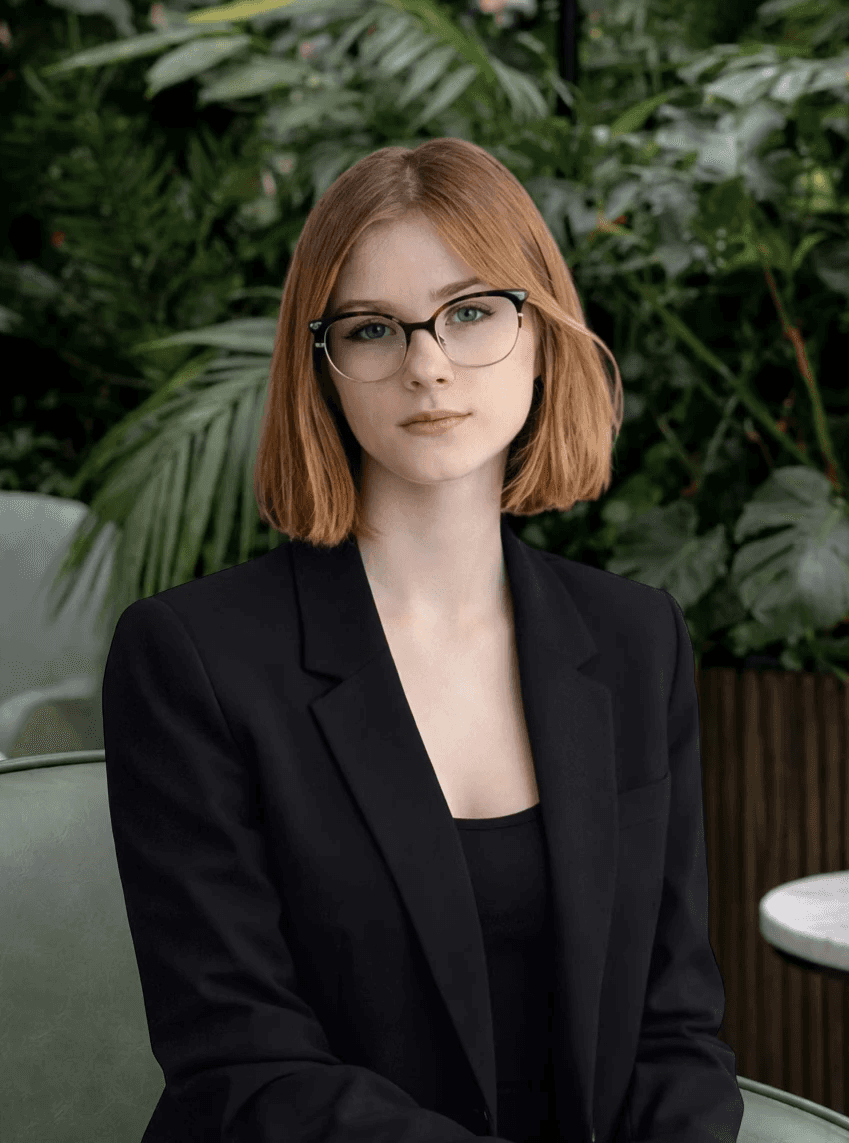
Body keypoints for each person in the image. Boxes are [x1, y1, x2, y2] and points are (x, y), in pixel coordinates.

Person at [102, 136, 744, 1143]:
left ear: (543, 333)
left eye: (473, 311)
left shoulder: (634, 640)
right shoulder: (191, 660)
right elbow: (242, 1060)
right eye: (372, 329)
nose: (427, 366)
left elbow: (675, 1026)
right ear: (323, 366)